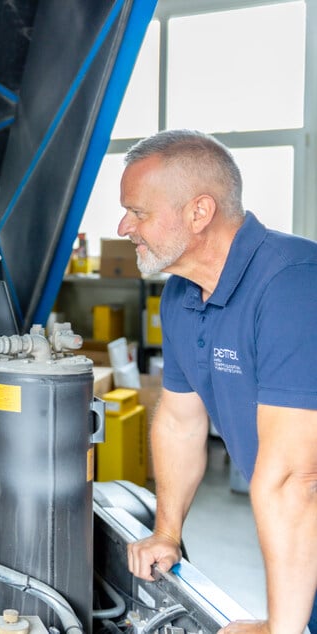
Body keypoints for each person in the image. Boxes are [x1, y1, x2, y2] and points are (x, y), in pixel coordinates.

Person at [119, 129, 317, 634]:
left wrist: (280, 631)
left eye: (138, 212)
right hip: (303, 547)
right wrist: (166, 531)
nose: (124, 226)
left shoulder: (295, 283)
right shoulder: (182, 296)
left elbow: (297, 477)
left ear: (199, 212)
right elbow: (181, 424)